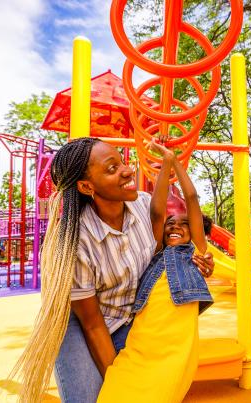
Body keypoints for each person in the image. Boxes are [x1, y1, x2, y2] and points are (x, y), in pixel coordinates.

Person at [7, 138, 214, 403]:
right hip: (85, 322)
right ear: (86, 186)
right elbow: (93, 325)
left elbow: (174, 254)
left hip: (131, 314)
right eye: (112, 168)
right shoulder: (74, 243)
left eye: (122, 162)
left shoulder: (143, 207)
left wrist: (200, 264)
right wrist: (118, 380)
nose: (127, 171)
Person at [97, 142, 212, 402]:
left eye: (185, 224)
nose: (176, 227)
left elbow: (191, 199)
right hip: (144, 339)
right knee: (118, 386)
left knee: (162, 391)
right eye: (171, 223)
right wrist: (165, 166)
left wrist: (174, 162)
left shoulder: (196, 250)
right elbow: (157, 209)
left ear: (194, 230)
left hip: (175, 344)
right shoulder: (156, 249)